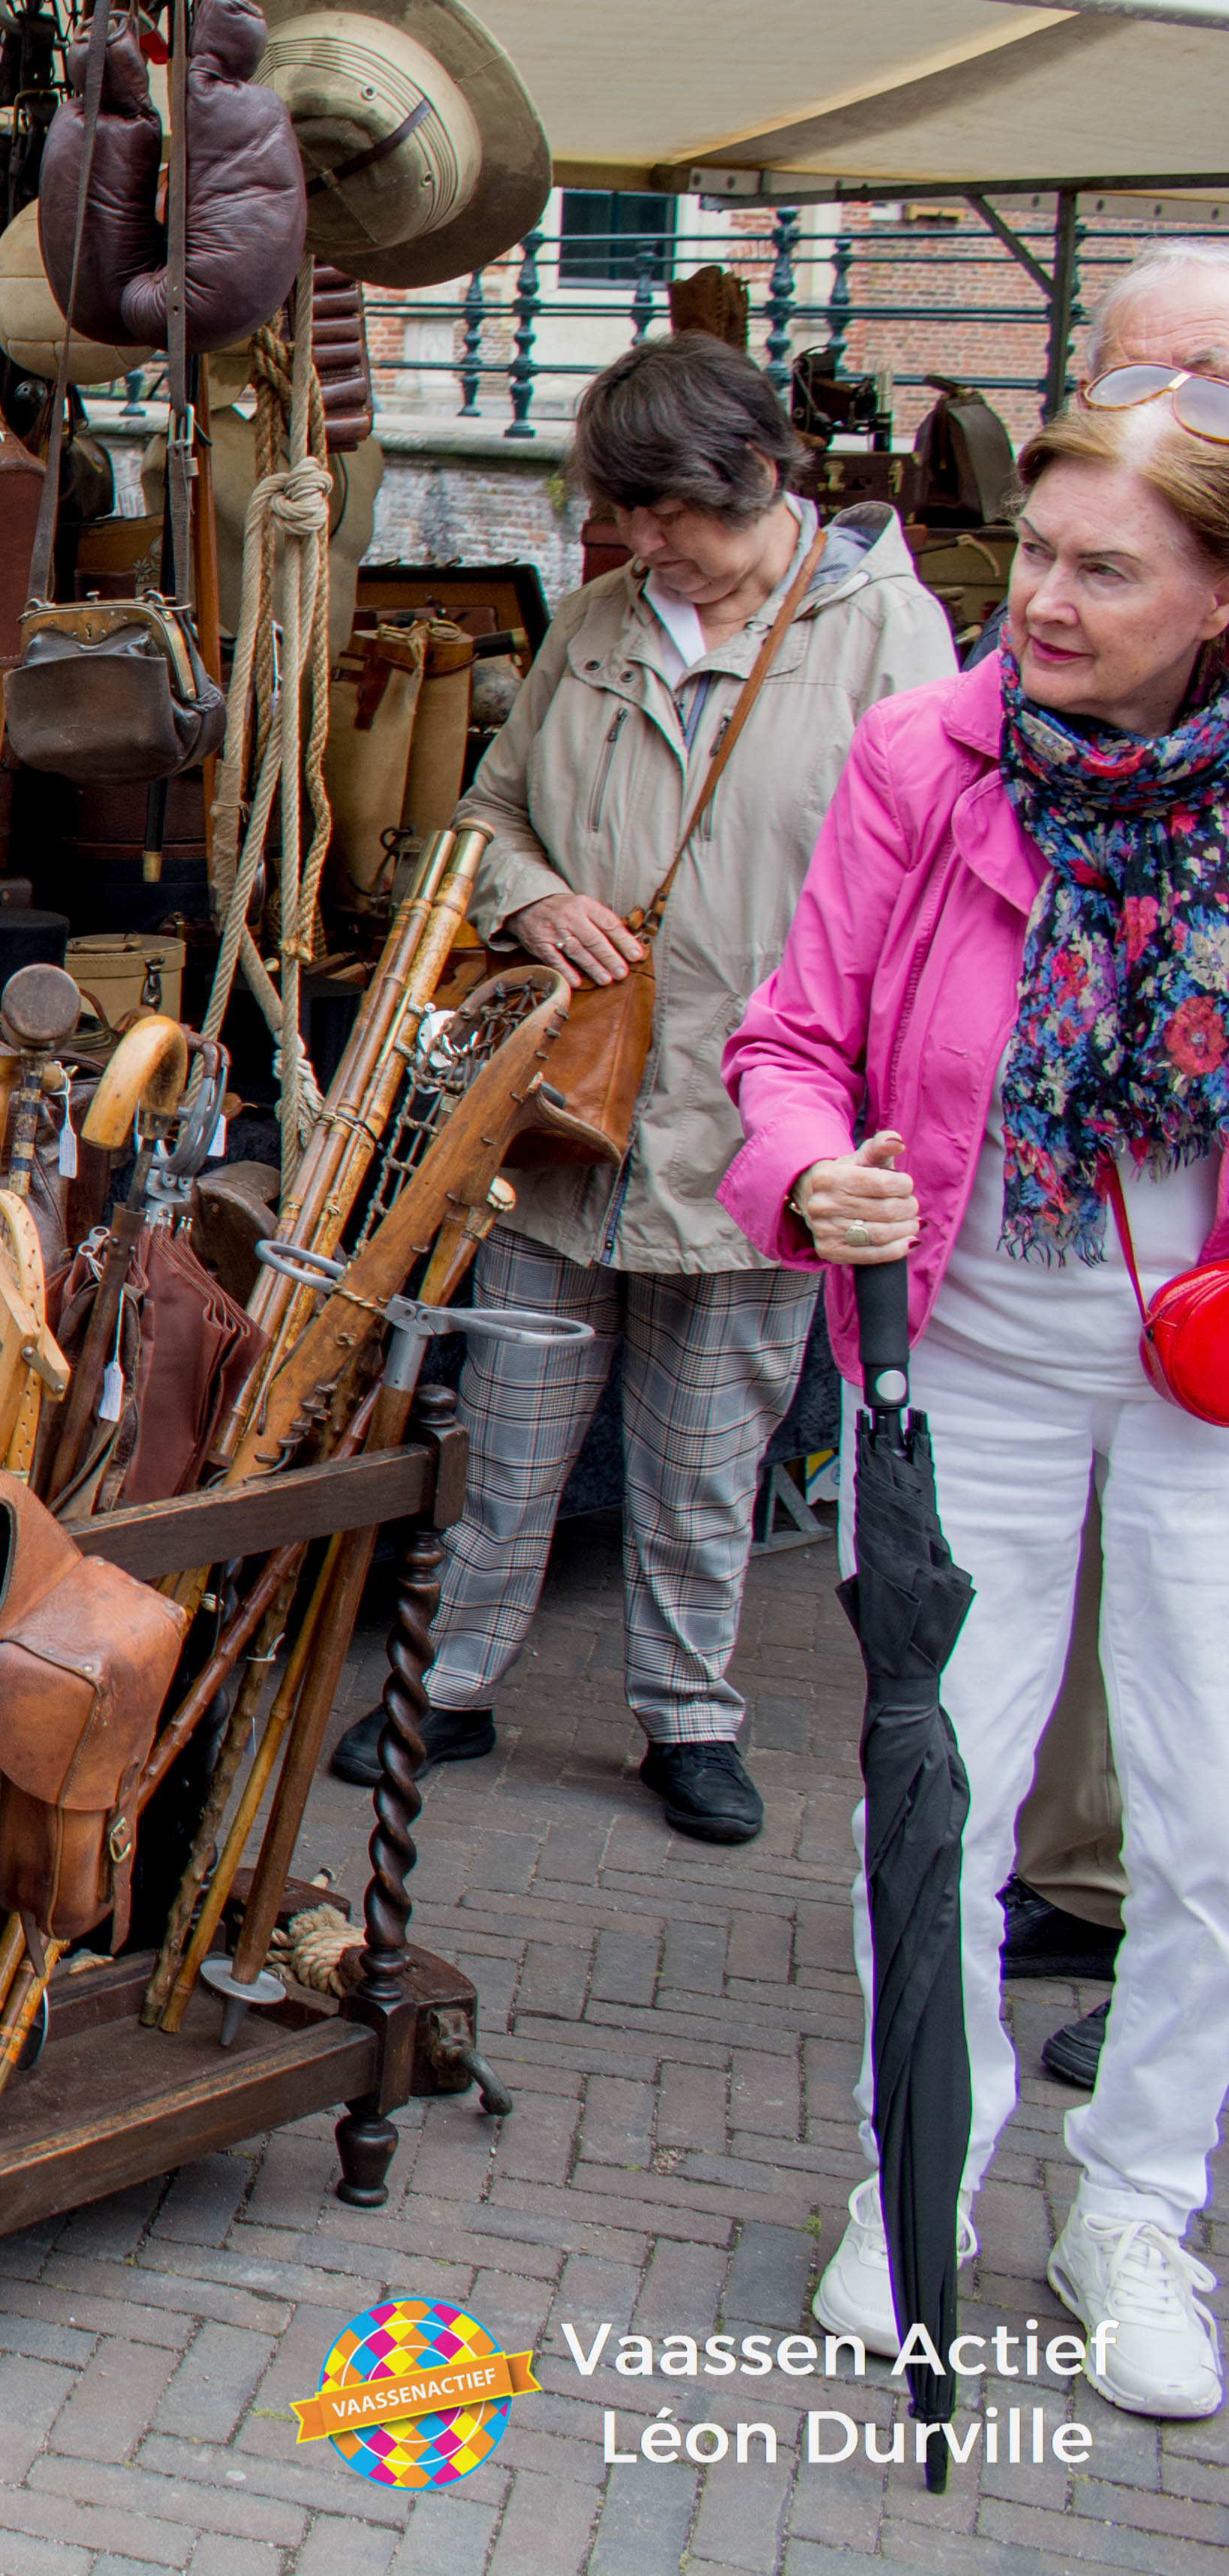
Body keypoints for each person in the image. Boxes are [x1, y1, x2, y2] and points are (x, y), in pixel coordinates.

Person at [726, 368, 1229, 2420]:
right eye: (1033, 549)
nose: (1043, 596)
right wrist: (800, 1168)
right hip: (969, 1358)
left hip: (1208, 1374)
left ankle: (1141, 2207)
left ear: (1216, 595)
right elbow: (789, 1038)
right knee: (941, 1802)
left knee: (1212, 1822)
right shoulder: (919, 762)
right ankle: (914, 2177)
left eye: (1104, 569)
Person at [321, 335, 952, 1841]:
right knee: (513, 1424)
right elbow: (486, 811)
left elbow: (935, 883)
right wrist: (531, 897)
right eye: (627, 512)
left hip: (762, 1129)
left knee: (706, 1449)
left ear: (760, 473)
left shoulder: (884, 636)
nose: (647, 542)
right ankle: (448, 1683)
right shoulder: (600, 618)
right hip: (568, 1112)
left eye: (677, 513)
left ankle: (690, 1716)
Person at [1007, 246, 1229, 2100]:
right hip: (1054, 1305)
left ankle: (1159, 2158)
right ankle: (1096, 1892)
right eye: (1122, 369)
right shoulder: (963, 754)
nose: (1146, 406)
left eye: (1191, 379)